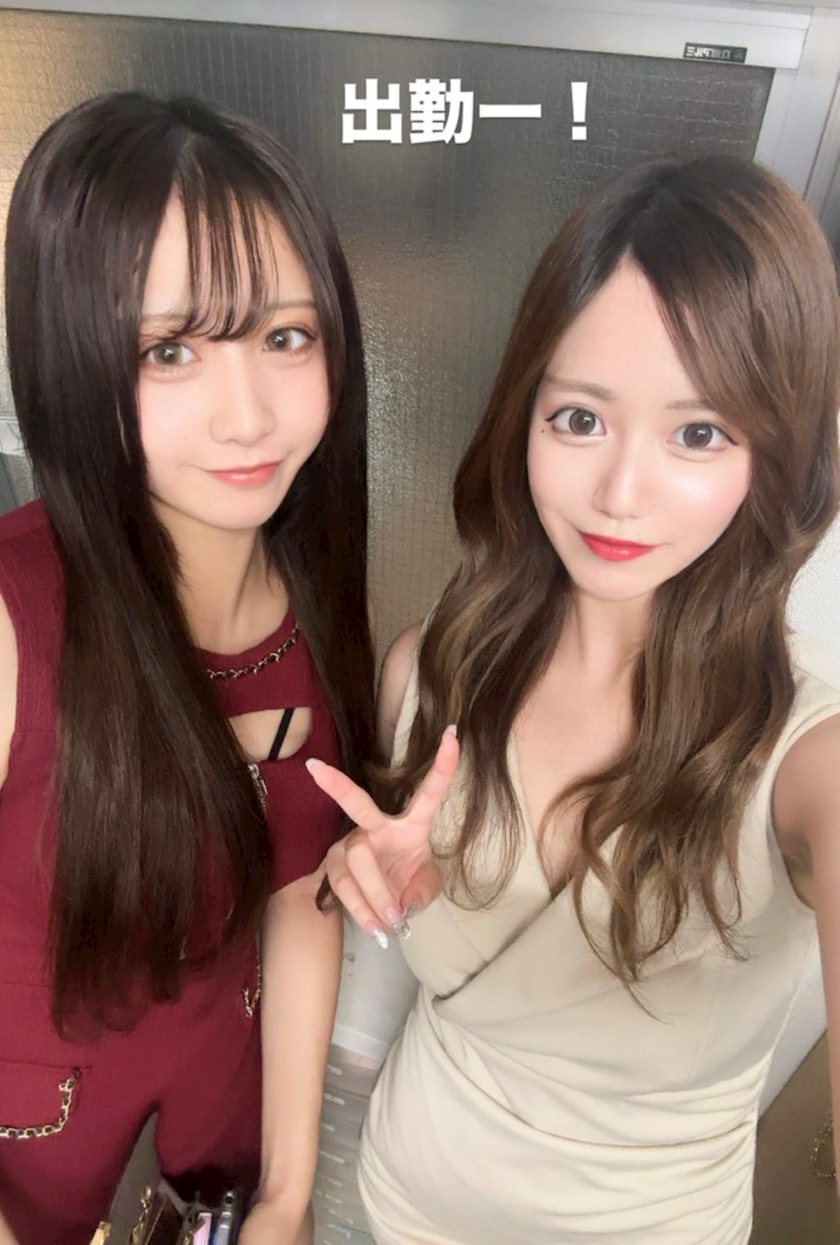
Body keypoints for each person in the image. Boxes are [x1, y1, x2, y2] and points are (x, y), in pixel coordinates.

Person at [308, 155, 840, 1244]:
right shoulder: (431, 671)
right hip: (401, 1199)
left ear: (776, 454)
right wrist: (369, 877)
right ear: (524, 417)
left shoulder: (804, 763)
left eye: (699, 433)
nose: (620, 493)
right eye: (580, 419)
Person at [0, 92, 373, 1245]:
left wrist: (289, 1196)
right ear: (73, 362)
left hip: (220, 1127)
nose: (247, 416)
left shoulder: (314, 594)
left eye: (284, 336)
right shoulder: (13, 620)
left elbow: (301, 894)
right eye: (170, 351)